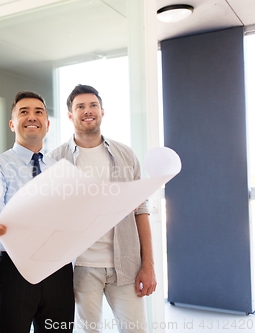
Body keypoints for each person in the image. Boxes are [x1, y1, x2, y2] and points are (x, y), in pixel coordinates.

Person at [48, 84, 156, 333]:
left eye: (93, 105)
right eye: (80, 107)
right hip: (82, 267)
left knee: (136, 330)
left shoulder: (125, 155)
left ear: (102, 111)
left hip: (126, 265)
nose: (88, 111)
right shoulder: (56, 159)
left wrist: (148, 265)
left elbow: (141, 210)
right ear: (70, 115)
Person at [0, 91, 75, 333]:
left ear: (47, 124)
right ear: (12, 124)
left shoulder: (60, 169)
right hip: (14, 270)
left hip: (57, 269)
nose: (32, 117)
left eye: (39, 112)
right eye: (24, 112)